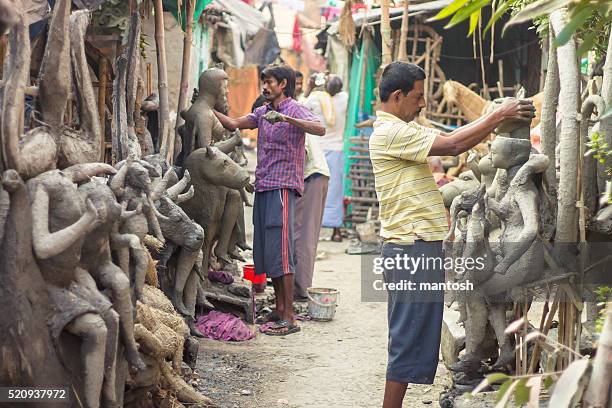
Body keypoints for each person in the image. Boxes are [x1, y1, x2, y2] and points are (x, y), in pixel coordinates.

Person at [369, 61, 534, 408]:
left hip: (418, 245)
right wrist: (497, 116)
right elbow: (453, 144)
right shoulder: (390, 132)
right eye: (417, 97)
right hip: (409, 247)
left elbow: (454, 143)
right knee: (405, 337)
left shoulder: (397, 129)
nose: (422, 104)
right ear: (397, 97)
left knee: (413, 334)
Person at [214, 65, 325, 336]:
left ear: (283, 85)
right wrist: (206, 107)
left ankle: (290, 317)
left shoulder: (294, 109)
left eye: (270, 82)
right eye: (263, 82)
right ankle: (278, 309)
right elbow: (232, 124)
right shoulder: (262, 113)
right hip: (264, 187)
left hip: (283, 189)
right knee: (270, 252)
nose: (264, 86)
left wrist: (288, 121)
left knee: (283, 253)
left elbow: (319, 128)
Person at [320, 75, 348, 241]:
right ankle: (336, 231)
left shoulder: (318, 100)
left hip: (320, 149)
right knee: (336, 191)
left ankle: (315, 229)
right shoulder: (344, 99)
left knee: (316, 191)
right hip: (336, 150)